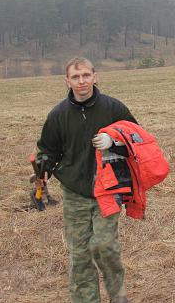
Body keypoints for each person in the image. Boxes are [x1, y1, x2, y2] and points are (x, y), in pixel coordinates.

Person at [37, 57, 137, 303]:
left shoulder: (114, 108)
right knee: (79, 253)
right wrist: (43, 169)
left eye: (86, 75)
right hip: (74, 192)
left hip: (108, 188)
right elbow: (48, 149)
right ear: (67, 81)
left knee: (104, 245)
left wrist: (114, 142)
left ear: (95, 76)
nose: (81, 81)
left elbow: (137, 140)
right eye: (75, 77)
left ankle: (118, 295)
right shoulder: (58, 114)